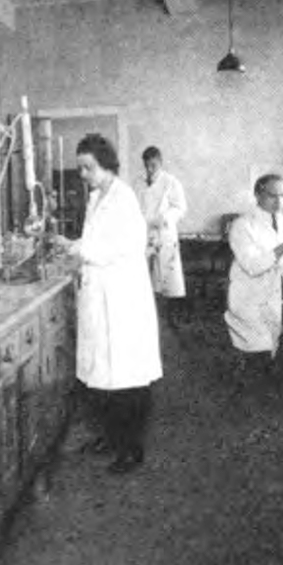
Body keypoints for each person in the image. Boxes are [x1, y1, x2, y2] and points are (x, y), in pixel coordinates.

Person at [54, 134, 163, 473]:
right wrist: (75, 243)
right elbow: (98, 239)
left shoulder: (124, 198)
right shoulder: (99, 197)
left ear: (105, 164)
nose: (82, 175)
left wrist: (79, 250)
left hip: (122, 299)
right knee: (101, 372)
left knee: (127, 378)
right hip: (100, 296)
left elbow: (125, 247)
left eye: (87, 168)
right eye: (80, 168)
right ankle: (111, 435)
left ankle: (131, 448)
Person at [225, 173, 283, 388]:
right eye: (272, 196)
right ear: (257, 195)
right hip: (250, 297)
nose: (279, 202)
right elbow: (252, 265)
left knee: (274, 350)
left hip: (276, 295)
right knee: (254, 352)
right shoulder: (242, 225)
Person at [139, 145, 189, 329]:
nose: (150, 169)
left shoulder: (170, 182)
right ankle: (150, 318)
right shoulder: (141, 182)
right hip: (146, 234)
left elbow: (180, 207)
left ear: (160, 163)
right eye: (147, 166)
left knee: (169, 278)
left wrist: (164, 219)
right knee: (148, 277)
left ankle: (171, 318)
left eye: (153, 165)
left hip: (164, 233)